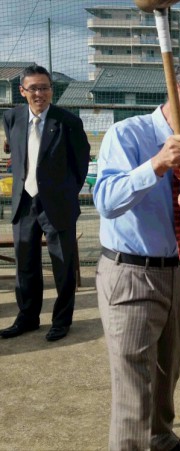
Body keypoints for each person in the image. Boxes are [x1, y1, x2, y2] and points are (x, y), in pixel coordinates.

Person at [93, 56, 180, 451]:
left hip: (178, 271)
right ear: (179, 94)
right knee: (134, 380)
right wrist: (156, 165)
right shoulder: (127, 135)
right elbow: (106, 201)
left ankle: (161, 439)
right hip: (130, 273)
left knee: (168, 370)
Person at [0, 64, 90, 341]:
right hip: (23, 203)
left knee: (62, 265)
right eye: (34, 88)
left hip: (57, 205)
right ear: (22, 91)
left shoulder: (68, 122)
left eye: (45, 87)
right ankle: (27, 317)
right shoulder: (12, 117)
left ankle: (61, 321)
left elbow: (81, 164)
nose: (40, 93)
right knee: (25, 264)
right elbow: (16, 151)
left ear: (52, 89)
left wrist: (65, 193)